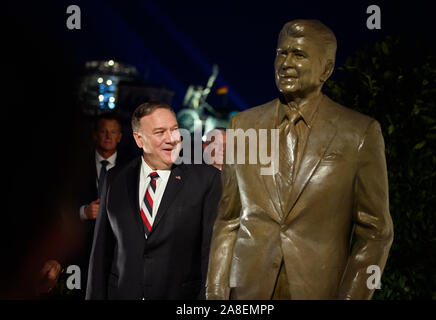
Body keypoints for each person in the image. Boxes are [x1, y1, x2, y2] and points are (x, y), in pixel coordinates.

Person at [206, 19, 394, 300]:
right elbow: (228, 219)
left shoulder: (359, 133)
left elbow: (376, 233)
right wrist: (216, 294)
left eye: (299, 54)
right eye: (281, 53)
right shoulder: (242, 125)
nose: (286, 63)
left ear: (326, 69)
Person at [86, 101, 222, 300]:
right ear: (139, 140)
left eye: (175, 130)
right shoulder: (115, 178)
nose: (172, 139)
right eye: (160, 132)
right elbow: (100, 255)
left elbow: (212, 259)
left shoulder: (206, 180)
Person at [76, 112, 129, 296]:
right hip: (78, 251)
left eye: (113, 132)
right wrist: (83, 212)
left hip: (116, 254)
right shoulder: (77, 166)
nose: (108, 136)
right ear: (95, 135)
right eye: (104, 131)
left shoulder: (131, 169)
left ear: (120, 137)